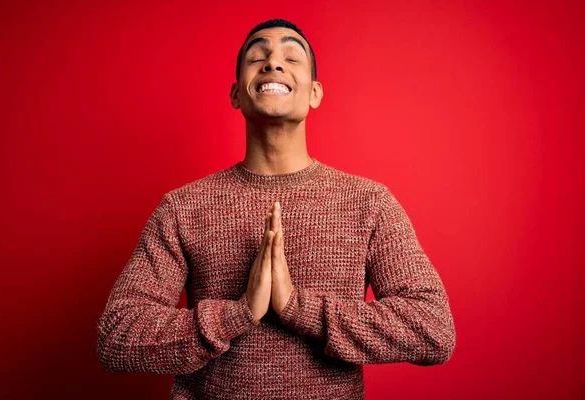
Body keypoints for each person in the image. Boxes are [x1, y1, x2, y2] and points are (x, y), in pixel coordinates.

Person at [96, 18, 456, 400]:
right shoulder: (183, 208)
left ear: (315, 92)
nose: (273, 63)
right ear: (236, 94)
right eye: (258, 56)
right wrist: (237, 314)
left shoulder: (369, 203)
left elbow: (433, 328)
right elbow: (116, 336)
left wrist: (297, 308)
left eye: (291, 56)